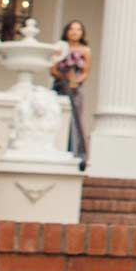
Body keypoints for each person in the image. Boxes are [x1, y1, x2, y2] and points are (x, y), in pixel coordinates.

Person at [49, 20, 89, 165]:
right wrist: (65, 76)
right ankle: (56, 147)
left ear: (82, 33)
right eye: (72, 29)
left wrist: (76, 80)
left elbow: (85, 71)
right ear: (67, 32)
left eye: (78, 29)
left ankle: (76, 152)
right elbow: (52, 69)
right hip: (60, 86)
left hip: (75, 89)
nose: (74, 32)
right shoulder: (60, 48)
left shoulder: (85, 50)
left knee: (75, 117)